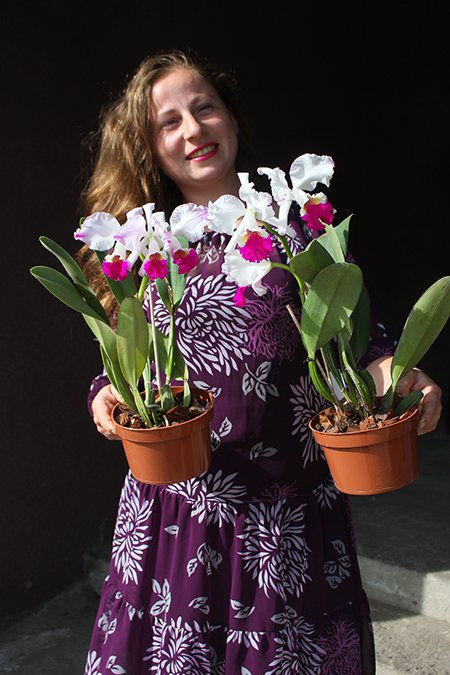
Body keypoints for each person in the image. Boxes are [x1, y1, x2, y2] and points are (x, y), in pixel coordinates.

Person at [82, 50, 442, 675]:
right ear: (149, 147)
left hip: (288, 517)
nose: (193, 130)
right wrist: (104, 397)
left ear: (233, 120)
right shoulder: (147, 243)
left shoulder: (293, 228)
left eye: (204, 109)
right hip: (178, 515)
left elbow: (362, 344)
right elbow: (122, 356)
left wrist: (399, 381)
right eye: (169, 123)